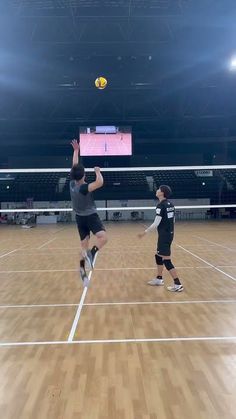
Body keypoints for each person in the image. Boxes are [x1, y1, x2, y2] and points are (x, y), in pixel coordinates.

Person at [70, 139, 108, 286]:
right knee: (103, 238)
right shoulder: (84, 188)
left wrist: (76, 151)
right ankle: (92, 253)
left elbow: (74, 166)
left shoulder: (72, 183)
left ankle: (82, 271)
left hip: (79, 218)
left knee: (83, 247)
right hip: (90, 217)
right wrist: (98, 171)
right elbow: (100, 183)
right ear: (83, 176)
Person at [138, 185, 183, 292]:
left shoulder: (161, 206)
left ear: (162, 193)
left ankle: (178, 284)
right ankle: (159, 279)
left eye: (158, 189)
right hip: (168, 234)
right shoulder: (170, 204)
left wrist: (144, 233)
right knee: (158, 256)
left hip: (164, 235)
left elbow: (156, 223)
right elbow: (173, 221)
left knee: (166, 260)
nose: (156, 190)